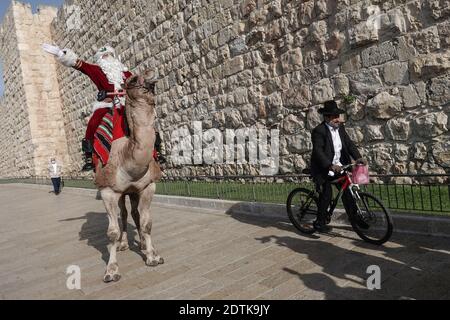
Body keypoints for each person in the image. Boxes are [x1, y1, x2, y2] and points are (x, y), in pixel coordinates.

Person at [42, 44, 132, 171]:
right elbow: (81, 65)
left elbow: (136, 83)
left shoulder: (126, 73)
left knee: (144, 117)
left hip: (127, 102)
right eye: (103, 56)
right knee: (93, 122)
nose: (107, 58)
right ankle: (88, 156)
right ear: (100, 59)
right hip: (108, 103)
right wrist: (62, 55)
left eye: (109, 55)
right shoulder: (97, 71)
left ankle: (156, 149)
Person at [310, 100, 368, 232]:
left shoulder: (340, 128)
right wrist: (329, 165)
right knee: (327, 194)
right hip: (323, 169)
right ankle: (319, 222)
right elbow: (318, 151)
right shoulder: (319, 131)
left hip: (339, 167)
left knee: (347, 192)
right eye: (335, 116)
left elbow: (349, 144)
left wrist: (358, 157)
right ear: (327, 117)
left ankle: (355, 218)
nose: (338, 119)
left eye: (338, 116)